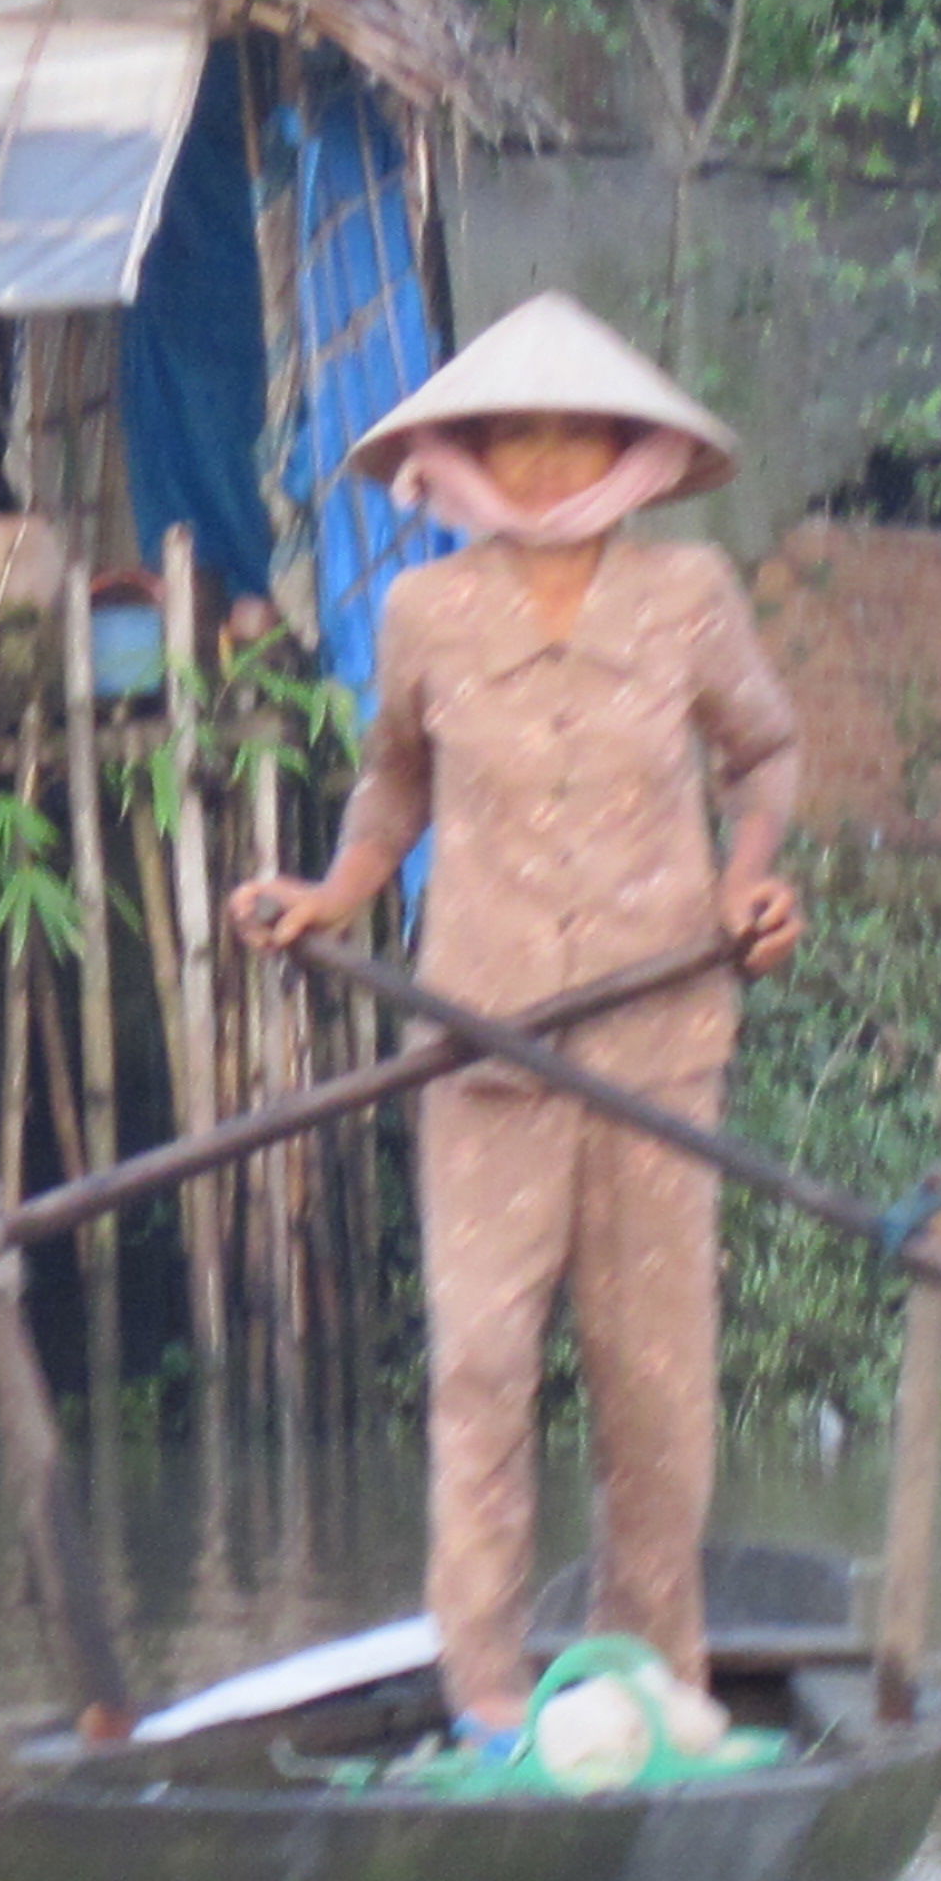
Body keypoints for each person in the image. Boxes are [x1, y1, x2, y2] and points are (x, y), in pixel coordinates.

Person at [229, 292, 802, 1733]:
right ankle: (483, 1686)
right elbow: (395, 788)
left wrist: (750, 885)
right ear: (473, 451)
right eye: (517, 438)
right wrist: (332, 896)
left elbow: (767, 753)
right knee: (481, 1366)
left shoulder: (687, 598)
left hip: (658, 1041)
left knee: (653, 1382)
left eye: (573, 435)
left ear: (624, 446)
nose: (546, 463)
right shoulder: (428, 611)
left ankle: (654, 1672)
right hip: (484, 1042)